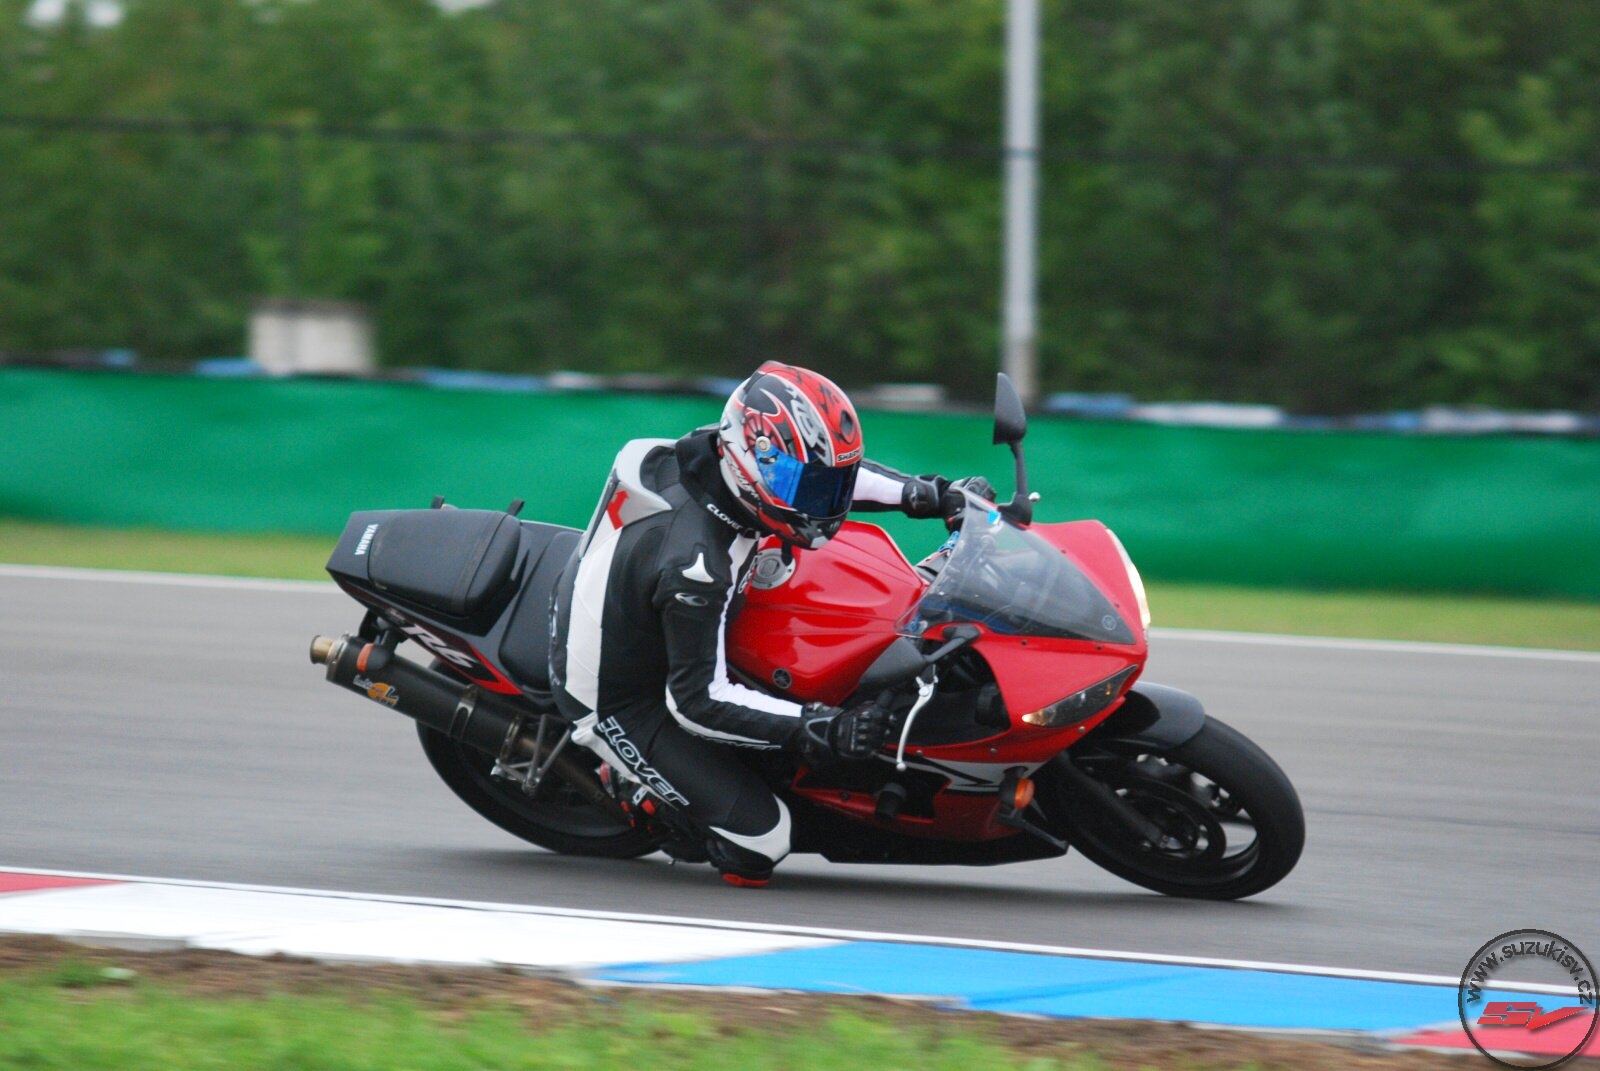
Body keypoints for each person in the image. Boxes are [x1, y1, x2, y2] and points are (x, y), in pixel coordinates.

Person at [549, 362, 991, 886]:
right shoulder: (698, 567)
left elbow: (828, 475)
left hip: (642, 603)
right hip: (623, 696)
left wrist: (931, 494)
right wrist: (821, 726)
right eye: (806, 485)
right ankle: (642, 797)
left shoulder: (716, 452)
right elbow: (696, 701)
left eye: (827, 485)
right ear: (748, 463)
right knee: (762, 842)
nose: (824, 502)